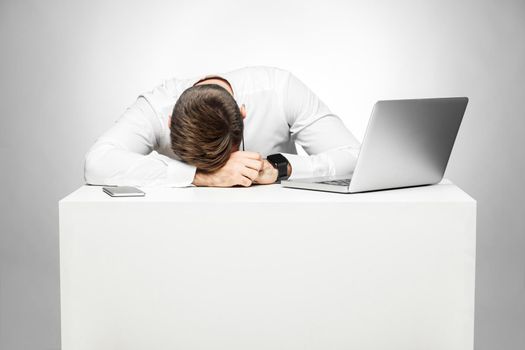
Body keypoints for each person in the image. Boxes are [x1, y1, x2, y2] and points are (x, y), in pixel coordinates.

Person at [84, 66, 361, 187]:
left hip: (282, 231)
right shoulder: (156, 107)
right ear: (170, 123)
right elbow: (98, 162)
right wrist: (200, 176)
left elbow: (355, 157)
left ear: (244, 114)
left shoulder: (279, 89)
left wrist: (280, 169)